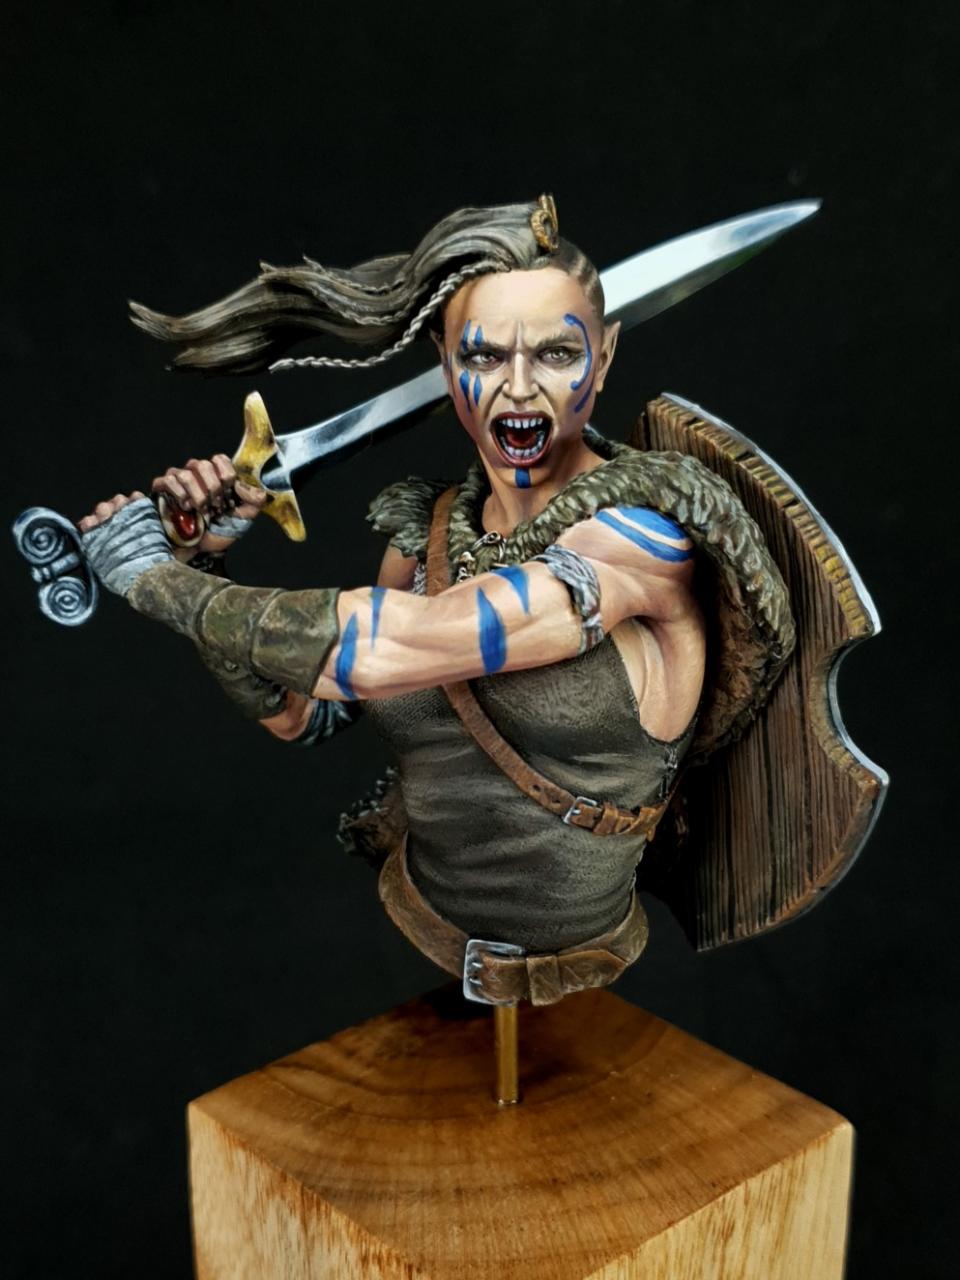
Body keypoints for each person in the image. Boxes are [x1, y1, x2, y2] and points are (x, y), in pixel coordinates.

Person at [77, 196, 792, 1007]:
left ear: (605, 356)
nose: (518, 390)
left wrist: (157, 579)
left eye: (557, 353)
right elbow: (302, 711)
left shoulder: (636, 541)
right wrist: (207, 559)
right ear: (446, 365)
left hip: (573, 954)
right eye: (483, 356)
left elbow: (388, 647)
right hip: (426, 918)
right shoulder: (430, 536)